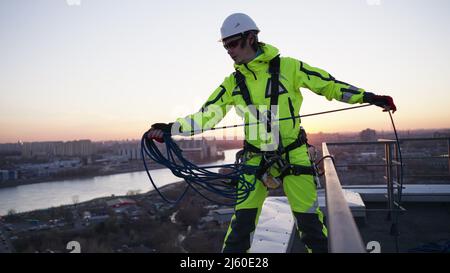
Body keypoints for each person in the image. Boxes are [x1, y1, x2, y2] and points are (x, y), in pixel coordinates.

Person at [147, 13, 396, 253]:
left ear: (250, 39)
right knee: (239, 231)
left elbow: (329, 85)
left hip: (294, 155)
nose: (229, 51)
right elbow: (205, 117)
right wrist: (170, 129)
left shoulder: (289, 67)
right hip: (255, 160)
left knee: (311, 228)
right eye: (225, 46)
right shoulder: (232, 83)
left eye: (233, 43)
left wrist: (369, 97)